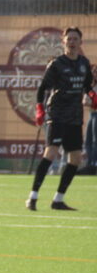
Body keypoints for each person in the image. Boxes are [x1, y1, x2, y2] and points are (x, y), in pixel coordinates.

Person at [26, 27, 95, 211]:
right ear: (63, 42)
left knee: (76, 159)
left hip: (75, 117)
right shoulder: (57, 64)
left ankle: (58, 199)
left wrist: (92, 94)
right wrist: (40, 110)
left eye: (75, 39)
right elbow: (42, 90)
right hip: (57, 115)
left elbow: (87, 85)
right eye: (69, 39)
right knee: (51, 153)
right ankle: (33, 196)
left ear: (81, 42)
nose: (72, 42)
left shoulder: (84, 63)